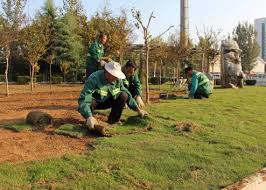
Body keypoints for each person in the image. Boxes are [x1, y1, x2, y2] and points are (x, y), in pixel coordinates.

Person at [78, 61, 148, 130]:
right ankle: (90, 119)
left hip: (108, 101)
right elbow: (84, 98)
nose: (117, 78)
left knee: (124, 95)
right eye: (115, 76)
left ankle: (113, 121)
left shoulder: (117, 80)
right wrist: (89, 116)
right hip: (95, 102)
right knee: (89, 102)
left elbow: (127, 94)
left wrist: (138, 110)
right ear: (108, 73)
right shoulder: (94, 78)